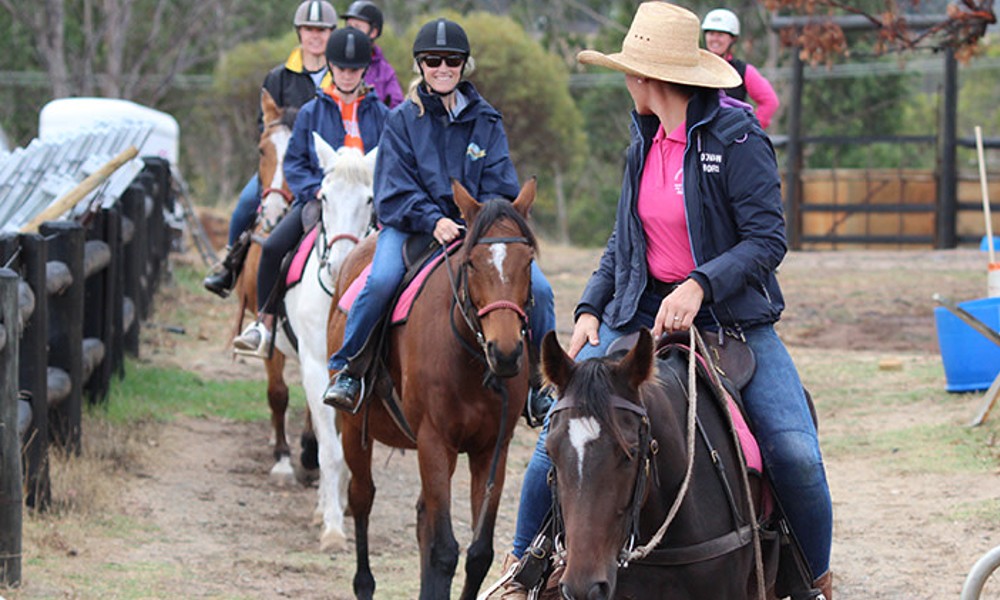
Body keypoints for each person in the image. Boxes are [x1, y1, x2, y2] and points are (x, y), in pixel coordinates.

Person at [501, 3, 832, 599]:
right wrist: (590, 308)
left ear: (647, 78)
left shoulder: (738, 138)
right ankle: (524, 571)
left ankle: (812, 581)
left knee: (795, 455)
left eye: (628, 72)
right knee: (559, 438)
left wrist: (701, 282)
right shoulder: (643, 141)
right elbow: (623, 240)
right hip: (640, 317)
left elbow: (767, 239)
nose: (626, 81)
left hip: (733, 323)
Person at [322, 18, 556, 414]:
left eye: (452, 60)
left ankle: (538, 384)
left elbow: (501, 183)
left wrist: (478, 221)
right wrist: (433, 219)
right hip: (412, 226)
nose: (442, 68)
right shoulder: (401, 121)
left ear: (465, 65)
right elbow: (393, 188)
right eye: (433, 60)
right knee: (380, 282)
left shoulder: (487, 120)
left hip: (477, 230)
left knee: (543, 291)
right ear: (420, 65)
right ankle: (350, 369)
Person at [232, 26, 389, 357]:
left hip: (368, 205)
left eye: (354, 69)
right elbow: (295, 162)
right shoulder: (311, 112)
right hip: (321, 201)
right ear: (331, 66)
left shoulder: (382, 116)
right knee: (273, 246)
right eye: (341, 68)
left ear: (364, 70)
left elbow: (392, 164)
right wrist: (313, 190)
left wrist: (379, 197)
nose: (347, 75)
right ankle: (264, 324)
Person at [203, 0, 338, 298]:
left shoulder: (339, 77)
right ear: (299, 32)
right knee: (246, 203)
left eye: (322, 30)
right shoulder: (278, 77)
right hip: (281, 165)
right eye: (309, 30)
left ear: (332, 33)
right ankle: (229, 265)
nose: (315, 36)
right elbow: (262, 124)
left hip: (322, 168)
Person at [702, 7, 780, 129]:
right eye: (711, 34)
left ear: (732, 39)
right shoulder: (695, 66)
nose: (715, 39)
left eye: (721, 35)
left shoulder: (743, 71)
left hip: (727, 136)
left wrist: (749, 128)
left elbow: (770, 101)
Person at [340, 0, 404, 108]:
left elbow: (397, 108)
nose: (351, 32)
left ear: (373, 32)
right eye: (348, 26)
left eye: (357, 27)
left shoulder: (385, 72)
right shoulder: (333, 61)